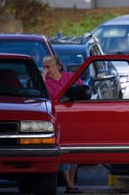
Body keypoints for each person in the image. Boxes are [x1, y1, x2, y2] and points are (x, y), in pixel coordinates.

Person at [42, 55, 82, 194]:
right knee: (63, 151)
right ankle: (70, 185)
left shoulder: (69, 76)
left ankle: (71, 182)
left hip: (73, 117)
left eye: (49, 66)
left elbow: (82, 90)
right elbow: (40, 92)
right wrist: (42, 76)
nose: (46, 70)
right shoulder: (45, 81)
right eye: (44, 67)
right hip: (57, 118)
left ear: (58, 66)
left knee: (74, 152)